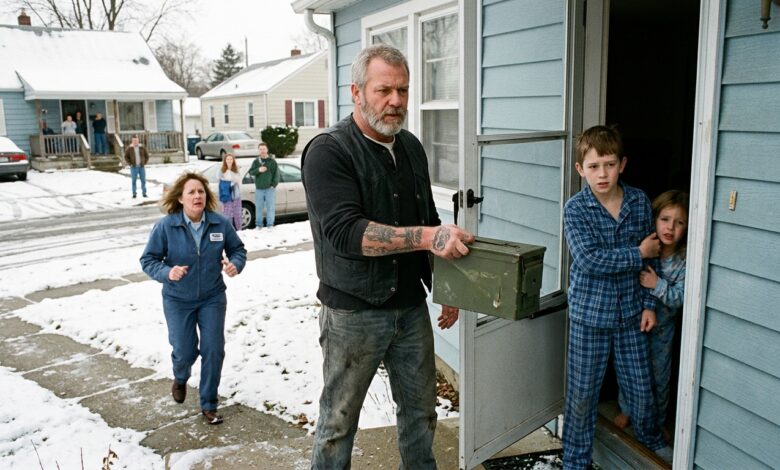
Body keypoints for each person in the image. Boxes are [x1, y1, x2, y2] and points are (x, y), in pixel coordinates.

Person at [301, 44, 475, 469]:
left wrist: (445, 286)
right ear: (356, 92)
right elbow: (347, 233)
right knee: (338, 423)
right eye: (384, 90)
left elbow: (427, 217)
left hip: (409, 308)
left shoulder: (411, 147)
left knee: (421, 414)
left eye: (403, 90)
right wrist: (429, 237)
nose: (396, 101)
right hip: (352, 314)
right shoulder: (328, 151)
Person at [562, 125, 673, 468]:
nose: (602, 174)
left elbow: (653, 256)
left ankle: (652, 444)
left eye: (609, 164)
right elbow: (589, 260)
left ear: (622, 164)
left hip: (631, 314)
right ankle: (575, 461)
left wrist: (650, 305)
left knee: (640, 389)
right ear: (580, 169)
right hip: (590, 317)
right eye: (593, 166)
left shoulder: (638, 202)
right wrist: (637, 253)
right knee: (582, 395)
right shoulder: (576, 209)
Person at [140, 172, 246, 425]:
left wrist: (235, 264)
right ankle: (180, 376)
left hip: (212, 297)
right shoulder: (166, 226)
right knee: (184, 351)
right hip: (178, 299)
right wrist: (167, 272)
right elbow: (148, 260)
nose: (197, 196)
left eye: (201, 191)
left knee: (213, 350)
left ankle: (209, 404)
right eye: (191, 192)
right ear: (180, 198)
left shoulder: (219, 223)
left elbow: (238, 250)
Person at [613, 190, 688, 441]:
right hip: (633, 323)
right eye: (665, 219)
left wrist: (657, 285)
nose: (670, 228)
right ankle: (627, 409)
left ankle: (657, 420)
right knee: (629, 369)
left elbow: (680, 298)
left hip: (663, 332)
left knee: (659, 377)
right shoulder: (645, 248)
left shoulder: (683, 261)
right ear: (654, 219)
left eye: (679, 222)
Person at [247, 143, 279, 229]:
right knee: (259, 208)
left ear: (267, 150)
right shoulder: (256, 161)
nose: (262, 151)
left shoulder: (272, 161)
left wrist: (273, 185)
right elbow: (251, 172)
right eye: (260, 149)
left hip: (270, 189)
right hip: (259, 189)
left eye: (264, 149)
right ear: (259, 150)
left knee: (270, 207)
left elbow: (276, 174)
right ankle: (259, 225)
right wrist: (259, 170)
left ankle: (270, 225)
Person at [219, 153, 243, 230]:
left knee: (237, 213)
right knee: (227, 214)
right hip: (226, 195)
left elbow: (238, 180)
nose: (229, 161)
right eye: (228, 159)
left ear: (233, 160)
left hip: (235, 193)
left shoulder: (236, 170)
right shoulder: (222, 171)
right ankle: (228, 230)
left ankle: (238, 230)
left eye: (231, 159)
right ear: (225, 160)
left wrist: (231, 180)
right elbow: (221, 183)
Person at [124, 134, 149, 198]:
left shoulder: (142, 147)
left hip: (141, 167)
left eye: (136, 140)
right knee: (134, 181)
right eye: (134, 140)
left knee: (143, 181)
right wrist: (130, 164)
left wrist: (144, 162)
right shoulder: (129, 148)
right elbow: (126, 157)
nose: (135, 141)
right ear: (132, 141)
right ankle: (134, 194)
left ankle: (144, 193)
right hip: (134, 167)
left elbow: (147, 156)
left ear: (138, 140)